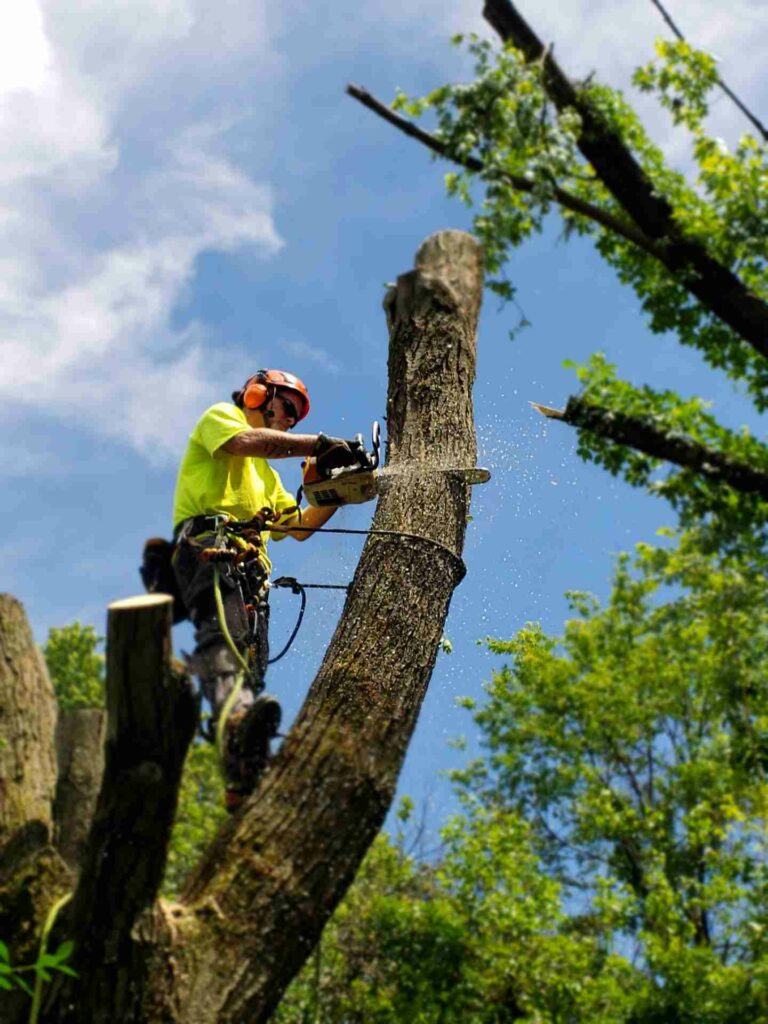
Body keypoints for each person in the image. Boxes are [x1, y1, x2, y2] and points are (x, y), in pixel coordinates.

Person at [172, 368, 364, 812]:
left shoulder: (267, 477)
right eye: (286, 408)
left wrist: (338, 492)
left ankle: (242, 775)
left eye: (296, 418)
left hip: (251, 572)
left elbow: (295, 528)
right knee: (226, 645)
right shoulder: (222, 419)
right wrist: (317, 443)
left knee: (252, 669)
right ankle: (236, 724)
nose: (289, 422)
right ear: (258, 395)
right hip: (210, 548)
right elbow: (247, 444)